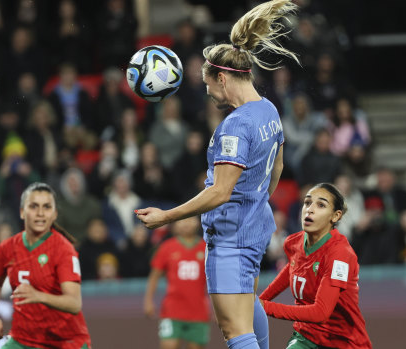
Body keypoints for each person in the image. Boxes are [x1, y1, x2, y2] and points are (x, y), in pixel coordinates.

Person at [136, 1, 300, 348]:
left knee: (234, 329)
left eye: (208, 84)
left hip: (230, 239)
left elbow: (220, 192)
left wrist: (167, 216)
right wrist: (256, 204)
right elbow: (279, 167)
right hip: (255, 229)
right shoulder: (268, 108)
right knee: (246, 306)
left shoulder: (235, 126)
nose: (208, 93)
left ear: (222, 77)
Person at [259, 183, 372, 348]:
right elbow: (292, 267)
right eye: (307, 203)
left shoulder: (340, 254)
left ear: (335, 216)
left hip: (344, 342)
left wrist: (264, 306)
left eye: (321, 205)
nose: (310, 209)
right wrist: (260, 299)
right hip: (306, 337)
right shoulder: (293, 242)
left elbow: (321, 312)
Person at [0, 182, 91, 349]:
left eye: (47, 207)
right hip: (23, 340)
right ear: (21, 212)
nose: (40, 213)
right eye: (33, 206)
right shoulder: (7, 248)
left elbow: (74, 303)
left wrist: (38, 296)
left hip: (65, 342)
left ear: (54, 214)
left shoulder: (64, 250)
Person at [143, 216, 211, 349]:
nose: (186, 223)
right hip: (172, 310)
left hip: (198, 311)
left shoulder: (206, 247)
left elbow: (214, 280)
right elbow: (154, 276)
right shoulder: (167, 247)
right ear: (174, 224)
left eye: (191, 219)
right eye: (182, 220)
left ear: (198, 223)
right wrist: (148, 301)